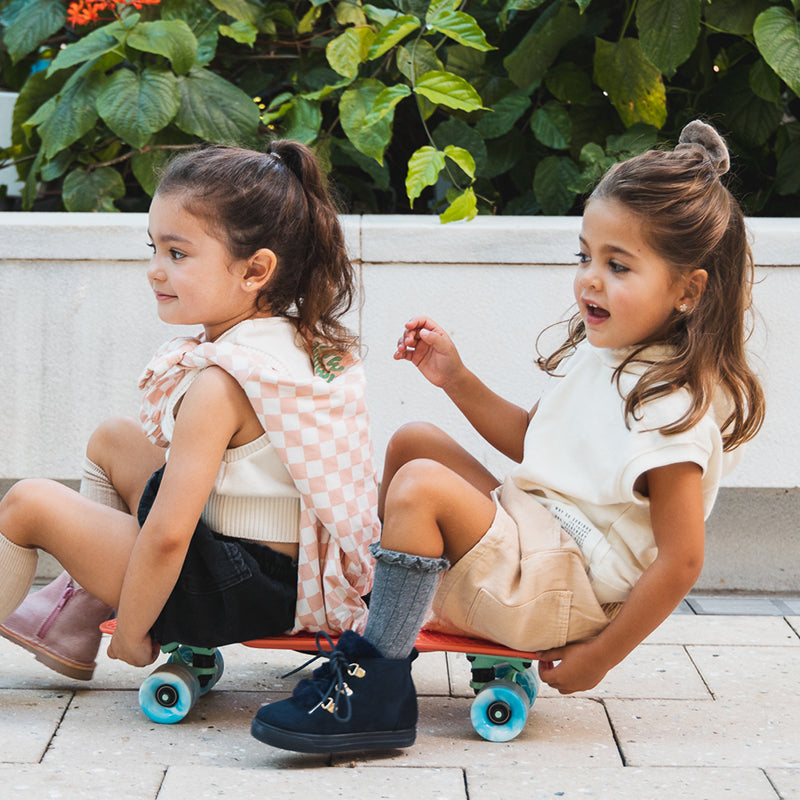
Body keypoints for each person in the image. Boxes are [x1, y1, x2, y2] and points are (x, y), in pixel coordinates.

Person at [250, 120, 766, 754]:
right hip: (536, 538)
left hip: (561, 588)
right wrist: (454, 377)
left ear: (688, 290)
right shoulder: (613, 355)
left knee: (419, 488)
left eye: (618, 265)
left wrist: (599, 656)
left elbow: (682, 560)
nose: (590, 279)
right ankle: (368, 597)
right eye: (586, 256)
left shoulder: (672, 410)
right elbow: (538, 446)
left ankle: (376, 686)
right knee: (416, 441)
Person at [0, 140, 380, 677]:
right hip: (281, 571)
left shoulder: (220, 384)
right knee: (114, 438)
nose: (155, 270)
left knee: (26, 502)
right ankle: (76, 613)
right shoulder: (292, 343)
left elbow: (170, 534)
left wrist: (133, 633)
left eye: (177, 254)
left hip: (237, 590)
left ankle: (98, 613)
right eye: (153, 248)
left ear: (255, 271)